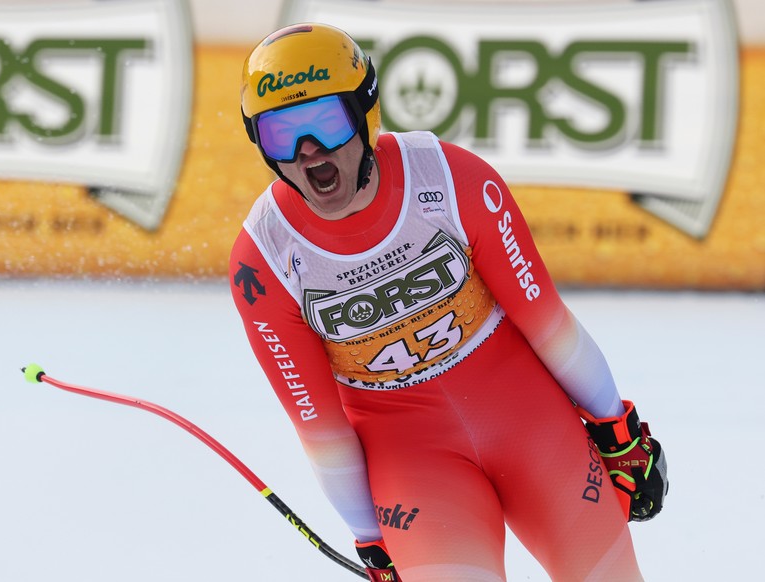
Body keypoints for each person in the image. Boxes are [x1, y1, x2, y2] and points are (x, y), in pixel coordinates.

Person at [228, 22, 667, 582]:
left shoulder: (450, 181)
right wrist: (371, 537)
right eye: (281, 133)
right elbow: (320, 426)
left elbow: (548, 322)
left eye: (324, 123)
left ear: (366, 114)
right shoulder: (262, 260)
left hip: (529, 424)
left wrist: (617, 427)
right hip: (414, 465)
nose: (307, 151)